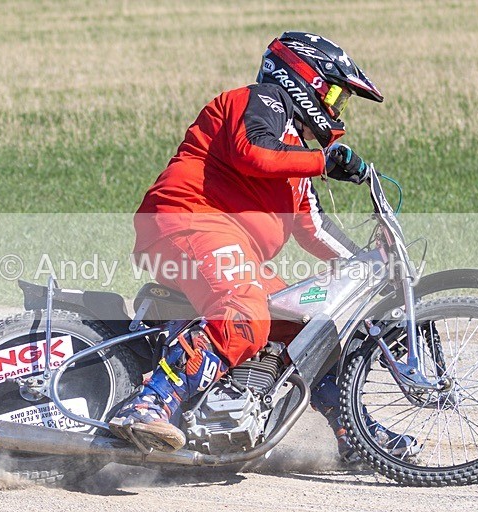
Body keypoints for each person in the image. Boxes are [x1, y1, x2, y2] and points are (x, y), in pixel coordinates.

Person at [109, 31, 418, 460]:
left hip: (223, 245)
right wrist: (324, 161)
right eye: (333, 92)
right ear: (304, 78)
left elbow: (312, 227)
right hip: (189, 221)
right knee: (245, 313)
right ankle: (149, 403)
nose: (335, 108)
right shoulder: (261, 102)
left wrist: (371, 264)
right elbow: (253, 151)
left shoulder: (294, 157)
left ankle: (353, 433)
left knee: (311, 326)